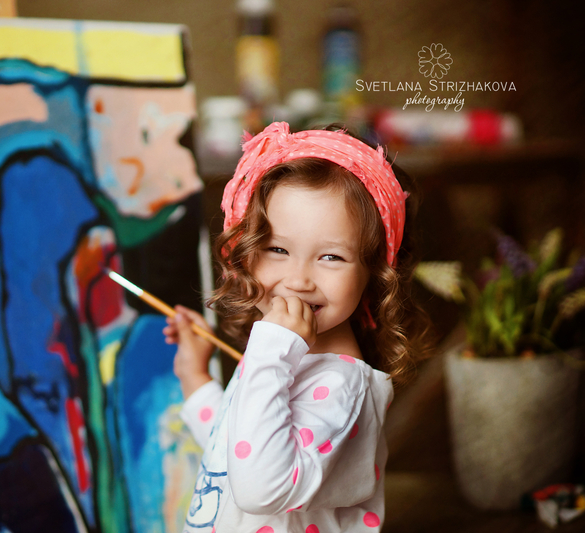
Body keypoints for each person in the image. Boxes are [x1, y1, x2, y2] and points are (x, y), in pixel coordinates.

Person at [163, 121, 431, 532]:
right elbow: (233, 448)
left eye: (331, 257)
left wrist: (270, 352)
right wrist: (195, 376)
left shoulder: (339, 386)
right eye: (278, 249)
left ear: (374, 272)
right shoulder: (281, 359)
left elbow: (259, 488)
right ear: (245, 252)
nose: (299, 280)